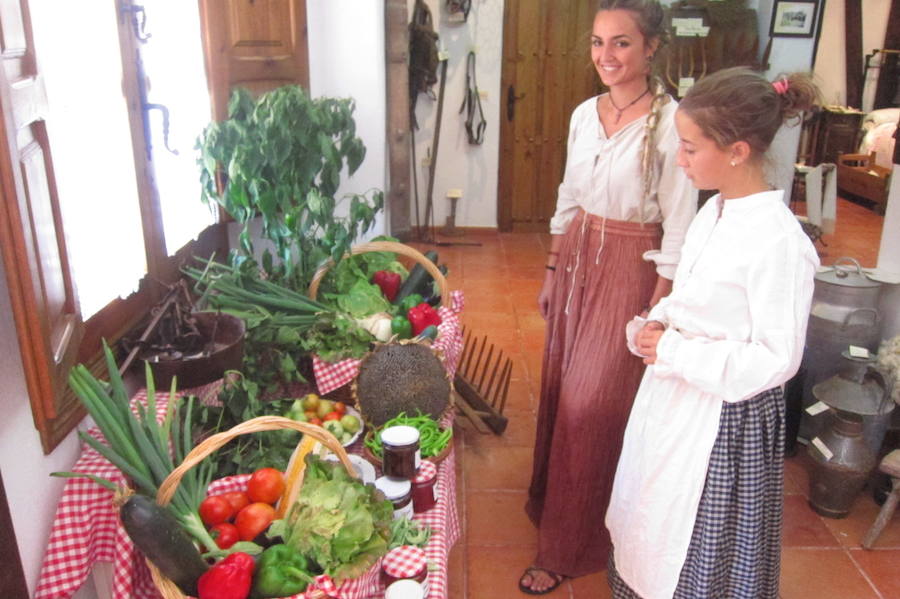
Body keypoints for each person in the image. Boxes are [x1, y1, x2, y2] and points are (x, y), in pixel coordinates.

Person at [605, 67, 821, 599]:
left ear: (738, 151)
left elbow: (776, 359)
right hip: (676, 398)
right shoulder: (714, 211)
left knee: (695, 554)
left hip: (725, 423)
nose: (679, 159)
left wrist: (675, 348)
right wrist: (659, 321)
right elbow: (696, 296)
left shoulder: (779, 242)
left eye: (689, 147)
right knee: (649, 527)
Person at [521, 0, 697, 594]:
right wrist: (551, 270)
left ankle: (573, 547)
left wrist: (657, 305)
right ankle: (558, 513)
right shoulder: (583, 114)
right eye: (598, 43)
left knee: (590, 404)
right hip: (576, 259)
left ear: (651, 48)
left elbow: (678, 222)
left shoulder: (673, 123)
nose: (606, 57)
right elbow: (569, 195)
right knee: (560, 386)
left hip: (631, 266)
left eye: (621, 43)